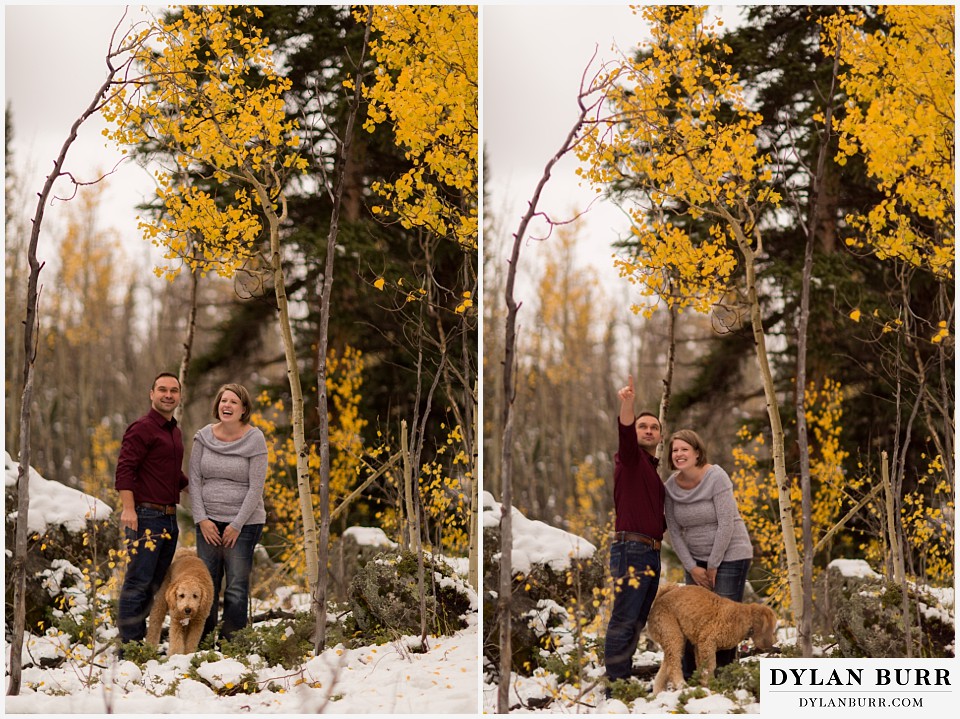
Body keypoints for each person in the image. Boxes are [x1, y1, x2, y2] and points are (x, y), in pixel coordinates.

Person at [663, 428, 753, 679]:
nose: (679, 454)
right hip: (695, 561)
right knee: (695, 618)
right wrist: (692, 567)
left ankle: (725, 677)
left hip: (731, 554)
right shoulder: (670, 487)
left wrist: (712, 565)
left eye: (684, 449)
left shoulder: (716, 477)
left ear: (697, 452)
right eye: (675, 450)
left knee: (725, 618)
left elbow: (726, 523)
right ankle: (695, 677)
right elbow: (674, 530)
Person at [115, 372, 189, 650]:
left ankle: (138, 640)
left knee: (154, 583)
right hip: (145, 517)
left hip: (169, 518)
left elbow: (170, 473)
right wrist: (128, 509)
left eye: (173, 390)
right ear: (151, 393)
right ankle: (129, 647)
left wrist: (200, 487)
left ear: (179, 396)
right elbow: (125, 469)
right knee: (138, 582)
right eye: (162, 389)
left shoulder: (174, 432)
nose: (168, 395)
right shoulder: (142, 428)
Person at [190, 383, 267, 643]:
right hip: (208, 523)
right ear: (217, 405)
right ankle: (202, 639)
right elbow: (194, 479)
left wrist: (236, 524)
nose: (227, 405)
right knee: (207, 584)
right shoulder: (202, 437)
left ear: (243, 408)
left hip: (244, 524)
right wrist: (202, 519)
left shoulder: (255, 439)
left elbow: (256, 487)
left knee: (235, 585)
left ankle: (232, 644)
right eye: (224, 401)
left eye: (234, 402)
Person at [604, 375, 666, 690]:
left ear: (660, 436)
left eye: (654, 428)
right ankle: (615, 684)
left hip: (651, 553)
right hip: (632, 550)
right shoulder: (629, 459)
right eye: (643, 427)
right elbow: (625, 432)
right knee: (625, 618)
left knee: (636, 621)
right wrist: (627, 404)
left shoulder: (651, 470)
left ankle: (623, 676)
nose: (648, 431)